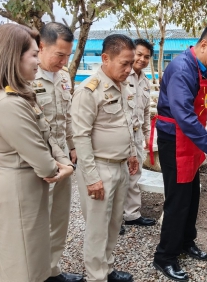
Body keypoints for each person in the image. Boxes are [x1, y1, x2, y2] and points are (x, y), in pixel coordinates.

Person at [0, 23, 75, 282]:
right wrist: (61, 167)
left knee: (32, 257)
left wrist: (65, 160)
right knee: (22, 265)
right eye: (33, 54)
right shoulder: (8, 103)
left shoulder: (21, 95)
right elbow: (44, 163)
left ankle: (51, 271)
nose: (37, 61)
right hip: (21, 189)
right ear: (13, 56)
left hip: (32, 184)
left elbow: (51, 130)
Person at [151, 21, 207, 282]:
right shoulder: (181, 68)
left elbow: (202, 102)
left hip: (191, 140)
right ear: (204, 45)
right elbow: (185, 116)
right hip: (176, 140)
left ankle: (186, 241)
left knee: (191, 195)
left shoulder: (200, 68)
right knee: (177, 201)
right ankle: (164, 256)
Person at [71, 34, 139, 282]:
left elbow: (126, 123)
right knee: (97, 229)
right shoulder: (88, 91)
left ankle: (107, 269)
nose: (129, 69)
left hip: (120, 167)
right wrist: (91, 178)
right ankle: (95, 276)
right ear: (105, 58)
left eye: (131, 63)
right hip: (99, 168)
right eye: (124, 63)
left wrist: (131, 153)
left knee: (113, 224)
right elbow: (80, 136)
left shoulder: (122, 86)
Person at [33, 22, 83, 282]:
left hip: (64, 158)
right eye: (59, 55)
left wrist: (72, 146)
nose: (64, 62)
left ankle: (52, 269)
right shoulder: (26, 75)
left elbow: (67, 117)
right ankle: (34, 272)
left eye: (68, 55)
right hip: (37, 160)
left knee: (59, 216)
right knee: (36, 220)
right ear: (41, 47)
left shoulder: (63, 77)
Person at [122, 39, 156, 233]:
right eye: (139, 54)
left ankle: (132, 215)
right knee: (118, 177)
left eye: (146, 57)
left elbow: (145, 112)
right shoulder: (122, 76)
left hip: (136, 135)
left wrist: (146, 136)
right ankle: (114, 219)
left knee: (135, 174)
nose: (142, 59)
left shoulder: (144, 81)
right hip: (120, 134)